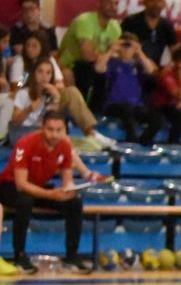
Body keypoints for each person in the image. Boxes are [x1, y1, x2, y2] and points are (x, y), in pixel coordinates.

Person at [0, 110, 108, 274]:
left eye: (59, 130)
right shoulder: (26, 143)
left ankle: (71, 257)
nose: (55, 134)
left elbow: (67, 180)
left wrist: (69, 191)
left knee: (74, 202)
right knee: (25, 201)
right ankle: (19, 256)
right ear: (42, 127)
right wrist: (51, 194)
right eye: (50, 129)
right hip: (9, 186)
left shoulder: (64, 146)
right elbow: (21, 184)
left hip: (38, 187)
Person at [58, 0, 122, 109]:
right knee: (90, 70)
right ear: (99, 3)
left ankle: (104, 111)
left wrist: (110, 56)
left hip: (95, 65)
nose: (113, 7)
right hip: (70, 63)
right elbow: (87, 55)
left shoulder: (115, 27)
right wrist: (107, 55)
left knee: (115, 70)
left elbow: (118, 54)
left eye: (116, 3)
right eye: (109, 2)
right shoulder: (85, 20)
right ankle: (78, 113)